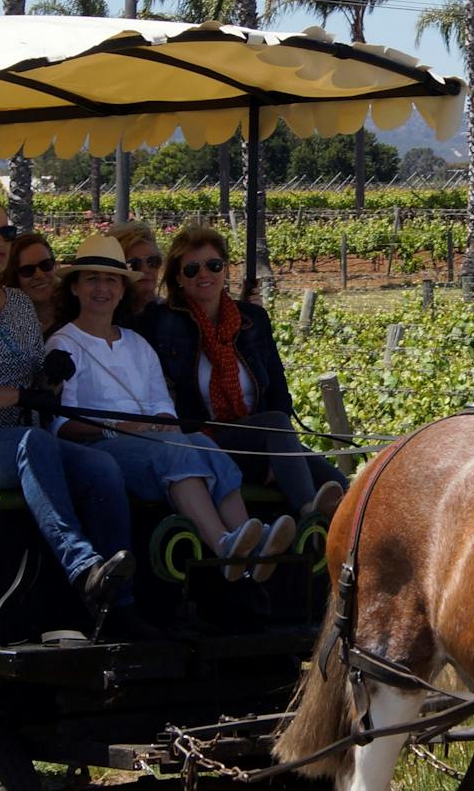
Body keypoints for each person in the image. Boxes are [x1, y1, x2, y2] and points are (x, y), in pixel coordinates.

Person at [0, 193, 133, 631]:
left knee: (102, 466)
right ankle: (83, 569)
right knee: (31, 443)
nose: (0, 242)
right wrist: (19, 396)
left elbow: (35, 382)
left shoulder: (17, 304)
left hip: (18, 443)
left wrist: (50, 377)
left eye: (6, 233)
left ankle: (119, 609)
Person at [47, 235, 292, 583]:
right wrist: (111, 428)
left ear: (121, 289)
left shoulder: (137, 343)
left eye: (111, 280)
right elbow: (61, 422)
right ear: (75, 288)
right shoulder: (62, 343)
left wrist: (162, 421)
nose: (102, 289)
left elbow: (161, 401)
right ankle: (224, 546)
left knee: (204, 445)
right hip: (98, 449)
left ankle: (251, 542)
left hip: (151, 439)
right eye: (92, 280)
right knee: (176, 457)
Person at [150, 224, 346, 524]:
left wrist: (273, 451)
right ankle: (308, 515)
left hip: (262, 438)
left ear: (225, 270)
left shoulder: (252, 319)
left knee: (340, 486)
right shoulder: (164, 324)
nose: (205, 275)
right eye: (192, 269)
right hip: (205, 440)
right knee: (276, 426)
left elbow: (278, 391)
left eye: (213, 265)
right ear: (178, 278)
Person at [106, 221, 166, 339]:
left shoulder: (172, 316)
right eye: (134, 264)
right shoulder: (103, 318)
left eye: (152, 262)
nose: (146, 269)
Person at [1, 231, 60, 338]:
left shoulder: (77, 314)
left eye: (46, 265)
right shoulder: (5, 329)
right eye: (28, 270)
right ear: (14, 276)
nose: (39, 275)